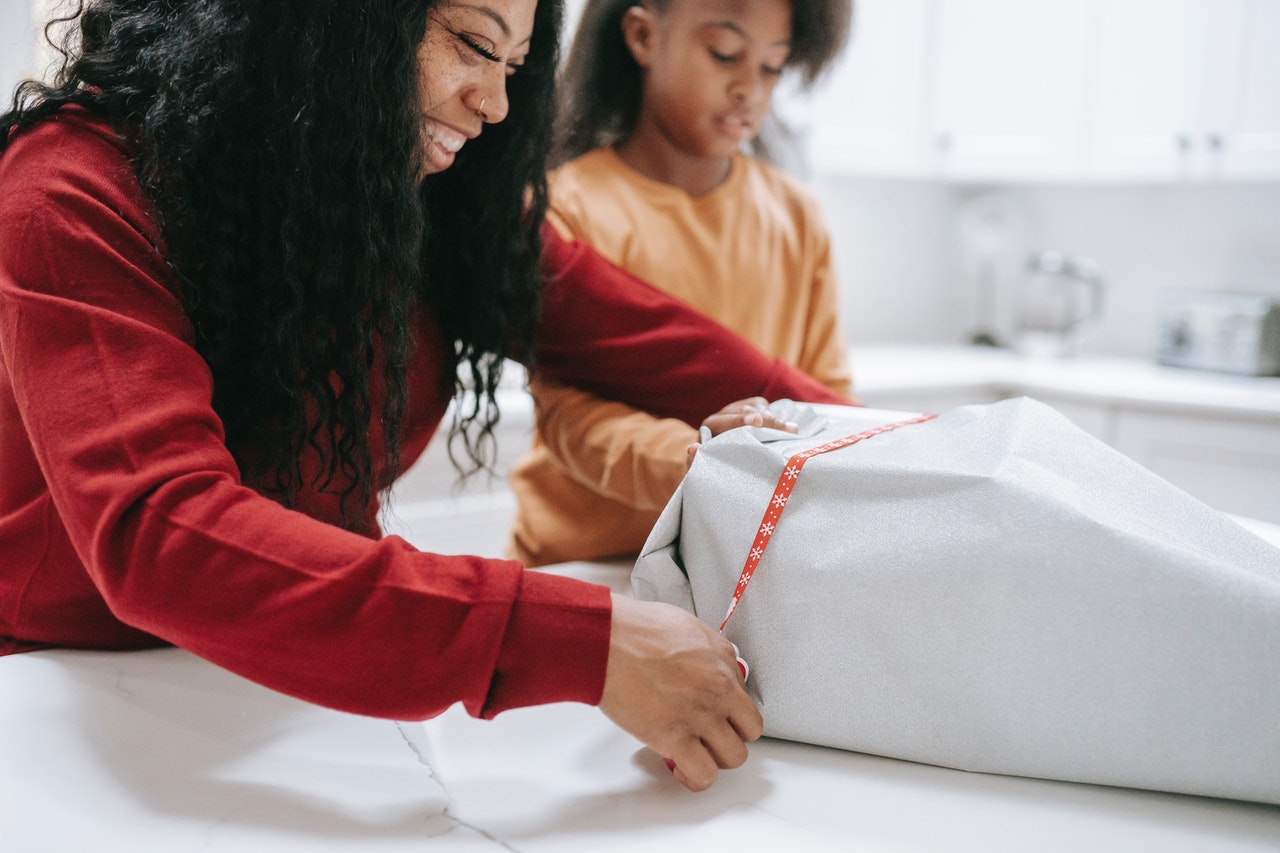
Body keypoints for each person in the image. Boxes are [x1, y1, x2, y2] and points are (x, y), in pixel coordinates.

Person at [0, 0, 846, 792]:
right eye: (475, 46)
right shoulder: (67, 190)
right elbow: (166, 534)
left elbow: (655, 343)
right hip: (65, 705)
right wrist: (589, 638)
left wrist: (882, 436)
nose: (496, 104)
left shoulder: (420, 200)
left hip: (301, 691)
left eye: (515, 66)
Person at [508, 0, 856, 567]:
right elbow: (571, 416)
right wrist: (701, 457)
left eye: (771, 66)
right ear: (643, 37)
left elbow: (828, 394)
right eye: (725, 54)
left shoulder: (797, 216)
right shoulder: (565, 209)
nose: (750, 88)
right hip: (589, 564)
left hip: (743, 568)